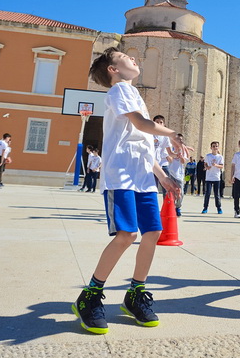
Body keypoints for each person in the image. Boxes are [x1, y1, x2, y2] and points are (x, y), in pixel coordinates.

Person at [72, 48, 186, 334]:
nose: (133, 58)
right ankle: (90, 296)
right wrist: (172, 134)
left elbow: (144, 145)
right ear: (113, 69)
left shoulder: (134, 95)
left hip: (143, 178)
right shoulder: (119, 90)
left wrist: (164, 177)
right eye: (125, 57)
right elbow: (142, 125)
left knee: (153, 233)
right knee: (127, 235)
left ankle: (135, 293)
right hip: (120, 176)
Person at [164, 135, 189, 217]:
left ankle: (178, 207)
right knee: (169, 191)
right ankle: (168, 207)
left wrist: (181, 157)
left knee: (180, 192)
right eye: (177, 139)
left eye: (180, 140)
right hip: (170, 172)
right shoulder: (170, 148)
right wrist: (171, 156)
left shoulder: (183, 150)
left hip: (179, 174)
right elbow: (169, 158)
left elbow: (183, 161)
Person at [202, 141, 225, 214]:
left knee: (217, 194)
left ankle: (219, 208)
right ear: (211, 148)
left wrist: (216, 165)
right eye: (214, 146)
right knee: (207, 193)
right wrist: (206, 167)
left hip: (216, 177)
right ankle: (205, 207)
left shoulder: (220, 157)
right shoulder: (208, 156)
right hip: (209, 177)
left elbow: (221, 166)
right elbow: (205, 164)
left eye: (216, 146)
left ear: (218, 147)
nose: (215, 148)